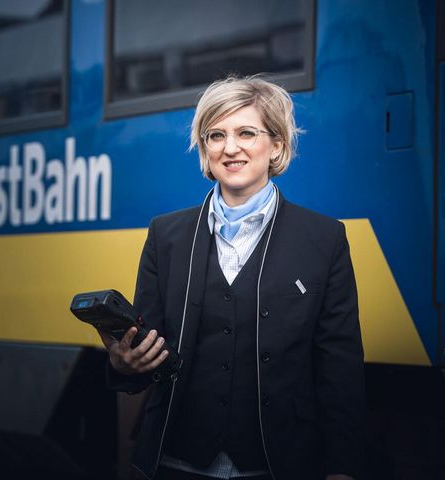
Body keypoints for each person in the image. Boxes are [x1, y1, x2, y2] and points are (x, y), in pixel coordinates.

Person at [99, 76, 365, 480]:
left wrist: (343, 467)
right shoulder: (165, 236)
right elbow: (149, 355)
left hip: (278, 467)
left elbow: (339, 366)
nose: (230, 147)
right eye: (216, 135)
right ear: (205, 151)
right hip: (178, 465)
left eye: (246, 132)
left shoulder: (324, 239)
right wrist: (124, 363)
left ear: (276, 145)